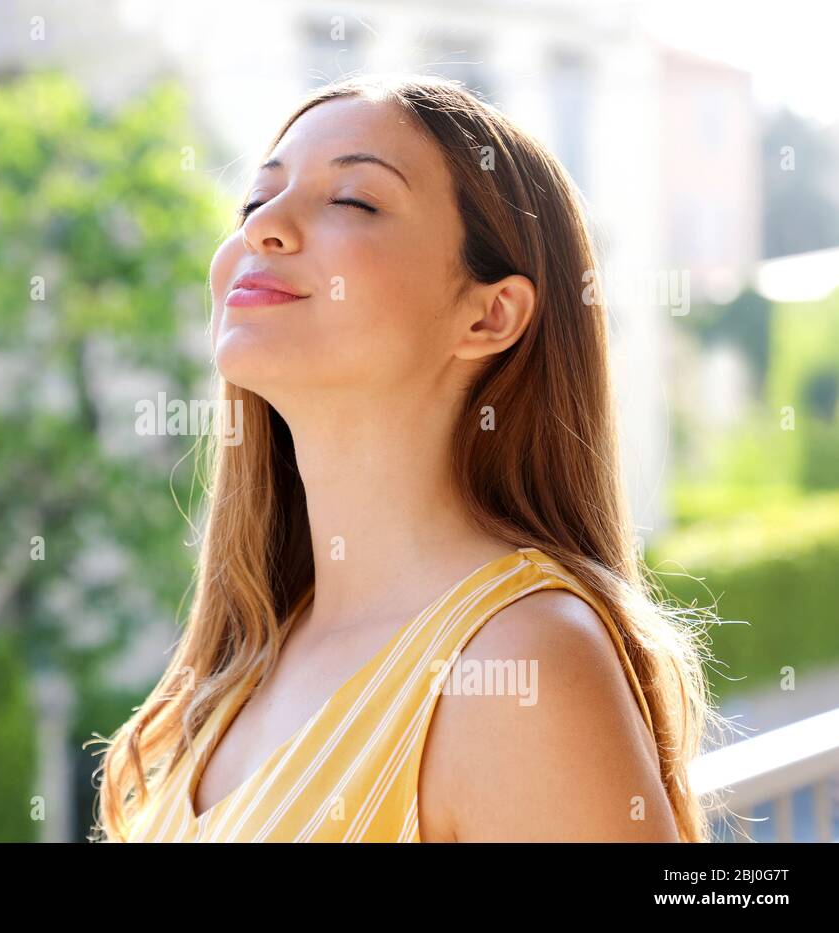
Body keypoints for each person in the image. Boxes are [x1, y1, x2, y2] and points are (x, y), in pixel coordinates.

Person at [92, 74, 718, 843]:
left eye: (353, 200)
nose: (264, 229)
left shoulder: (519, 665)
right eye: (254, 201)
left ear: (490, 314)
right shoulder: (251, 654)